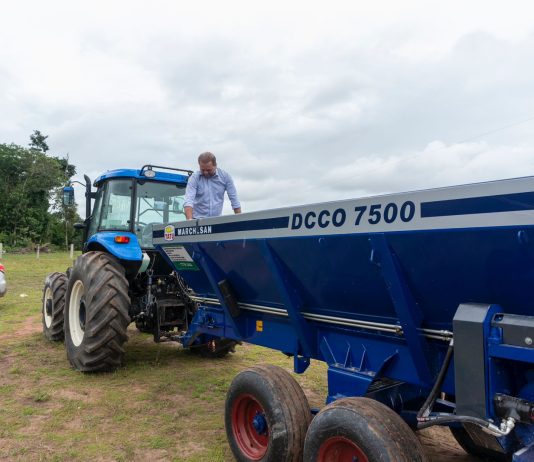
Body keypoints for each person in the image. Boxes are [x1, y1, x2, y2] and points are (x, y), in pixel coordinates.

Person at [184, 152, 241, 220]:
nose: (205, 172)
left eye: (209, 170)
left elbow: (234, 200)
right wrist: (190, 222)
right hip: (197, 220)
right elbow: (188, 201)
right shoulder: (194, 178)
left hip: (216, 221)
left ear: (215, 165)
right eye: (202, 170)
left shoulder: (225, 177)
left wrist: (240, 220)